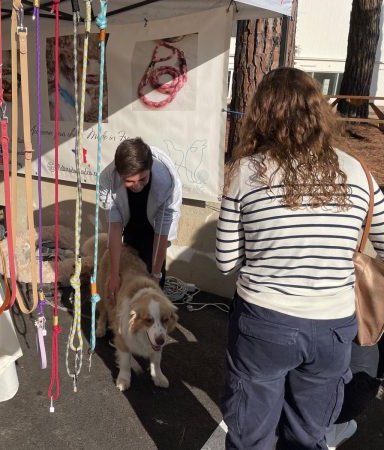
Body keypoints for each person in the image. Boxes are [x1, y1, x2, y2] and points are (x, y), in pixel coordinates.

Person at [216, 67, 384, 450]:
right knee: (308, 436)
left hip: (263, 321)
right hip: (333, 327)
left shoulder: (247, 171)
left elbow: (225, 261)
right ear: (319, 111)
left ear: (262, 114)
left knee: (250, 435)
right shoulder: (360, 173)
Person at [100, 137, 182, 301]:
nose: (137, 186)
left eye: (142, 179)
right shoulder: (108, 179)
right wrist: (114, 274)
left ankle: (154, 316)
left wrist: (156, 276)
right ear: (119, 174)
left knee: (152, 270)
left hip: (154, 228)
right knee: (129, 263)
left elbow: (161, 233)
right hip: (131, 221)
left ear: (150, 169)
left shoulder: (166, 182)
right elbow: (114, 228)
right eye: (129, 181)